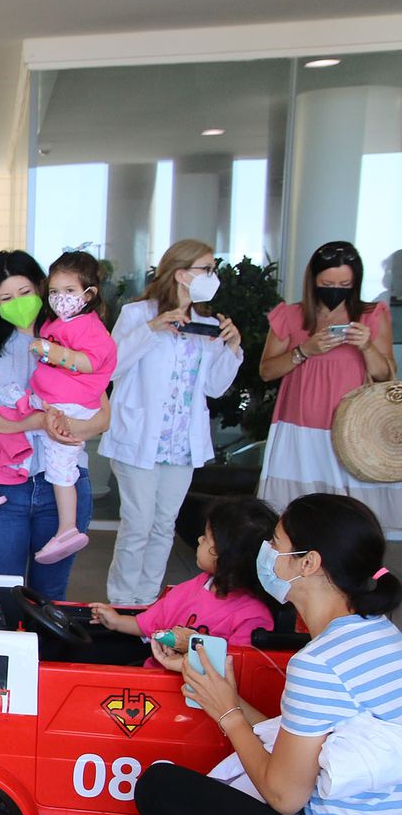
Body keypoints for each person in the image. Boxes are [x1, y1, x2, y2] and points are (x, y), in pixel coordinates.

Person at [135, 494, 402, 815]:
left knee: (162, 790)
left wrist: (228, 713)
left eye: (275, 544)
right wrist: (226, 698)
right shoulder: (380, 637)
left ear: (309, 563)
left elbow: (283, 795)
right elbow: (306, 745)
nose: (266, 555)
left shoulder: (319, 663)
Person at [99, 240, 245, 605]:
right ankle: (122, 602)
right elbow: (111, 367)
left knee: (164, 525)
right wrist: (153, 329)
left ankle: (147, 602)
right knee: (137, 525)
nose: (212, 277)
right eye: (206, 269)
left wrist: (233, 348)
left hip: (182, 444)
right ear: (181, 273)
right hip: (139, 439)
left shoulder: (208, 324)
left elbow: (214, 386)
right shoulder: (138, 314)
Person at [0, 250, 110, 598]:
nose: (18, 303)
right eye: (6, 297)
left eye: (25, 292)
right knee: (0, 596)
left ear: (42, 289)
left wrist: (67, 427)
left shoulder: (72, 336)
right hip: (4, 490)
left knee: (50, 596)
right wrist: (43, 421)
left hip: (63, 487)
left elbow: (103, 414)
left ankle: (46, 654)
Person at [258, 241, 398, 530]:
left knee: (352, 519)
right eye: (327, 282)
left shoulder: (372, 315)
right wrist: (304, 350)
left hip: (355, 432)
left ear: (355, 282)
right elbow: (267, 371)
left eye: (345, 283)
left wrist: (367, 346)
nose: (336, 289)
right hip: (299, 430)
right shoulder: (290, 315)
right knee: (296, 516)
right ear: (313, 281)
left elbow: (386, 375)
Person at [13, 252, 117, 564]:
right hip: (51, 399)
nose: (61, 298)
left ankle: (68, 528)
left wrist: (57, 353)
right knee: (12, 413)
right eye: (55, 292)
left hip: (70, 406)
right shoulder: (59, 323)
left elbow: (91, 362)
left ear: (89, 294)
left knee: (61, 467)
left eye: (70, 292)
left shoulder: (89, 327)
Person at [89, 496, 276, 660]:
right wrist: (116, 621)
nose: (200, 540)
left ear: (229, 556)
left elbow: (237, 666)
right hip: (157, 675)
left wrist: (188, 649)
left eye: (207, 538)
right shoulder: (199, 585)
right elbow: (154, 623)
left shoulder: (251, 617)